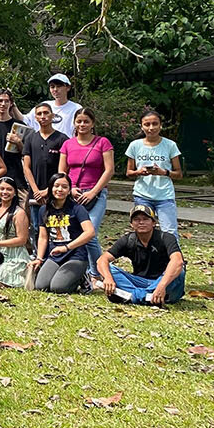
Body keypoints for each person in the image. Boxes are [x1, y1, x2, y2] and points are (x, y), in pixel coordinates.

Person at [58, 107, 113, 277]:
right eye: (79, 121)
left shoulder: (102, 142)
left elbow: (109, 170)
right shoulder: (68, 144)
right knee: (74, 232)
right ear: (74, 123)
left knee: (90, 234)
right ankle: (82, 270)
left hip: (96, 193)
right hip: (73, 193)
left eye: (86, 121)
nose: (82, 124)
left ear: (92, 123)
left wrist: (94, 191)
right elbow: (62, 171)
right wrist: (71, 188)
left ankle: (97, 273)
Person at [96, 203, 186, 305]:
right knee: (109, 269)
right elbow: (102, 260)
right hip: (139, 282)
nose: (141, 222)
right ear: (131, 224)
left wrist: (162, 285)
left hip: (164, 282)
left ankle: (134, 296)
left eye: (145, 219)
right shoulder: (128, 240)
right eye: (137, 219)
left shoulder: (166, 238)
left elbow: (177, 261)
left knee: (179, 271)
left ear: (153, 223)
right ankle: (147, 297)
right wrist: (108, 278)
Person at [32, 172, 96, 293]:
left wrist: (67, 247)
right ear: (50, 188)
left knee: (58, 288)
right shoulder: (43, 210)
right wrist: (39, 258)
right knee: (41, 287)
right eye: (56, 186)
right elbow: (43, 237)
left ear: (69, 190)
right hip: (55, 255)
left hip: (75, 255)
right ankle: (67, 275)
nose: (60, 189)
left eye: (64, 187)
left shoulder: (77, 208)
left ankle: (82, 278)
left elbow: (90, 232)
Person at [124, 109, 182, 237]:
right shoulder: (135, 145)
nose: (151, 128)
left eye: (155, 124)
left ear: (161, 125)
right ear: (142, 126)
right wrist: (139, 172)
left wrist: (163, 172)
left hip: (164, 195)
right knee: (142, 231)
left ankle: (173, 257)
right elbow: (129, 172)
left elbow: (178, 174)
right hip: (142, 195)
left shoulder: (170, 145)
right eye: (147, 124)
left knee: (170, 232)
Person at [21, 101, 68, 233]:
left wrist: (49, 190)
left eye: (46, 113)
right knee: (37, 227)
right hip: (35, 194)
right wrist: (36, 190)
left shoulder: (62, 139)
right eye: (39, 114)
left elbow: (64, 169)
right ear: (35, 117)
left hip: (55, 192)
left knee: (57, 227)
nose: (43, 116)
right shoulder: (30, 138)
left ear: (52, 116)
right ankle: (39, 254)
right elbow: (26, 167)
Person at [46, 73, 81, 138]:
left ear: (68, 88)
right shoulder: (45, 106)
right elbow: (26, 120)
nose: (55, 89)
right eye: (52, 87)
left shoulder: (76, 108)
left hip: (69, 145)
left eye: (59, 86)